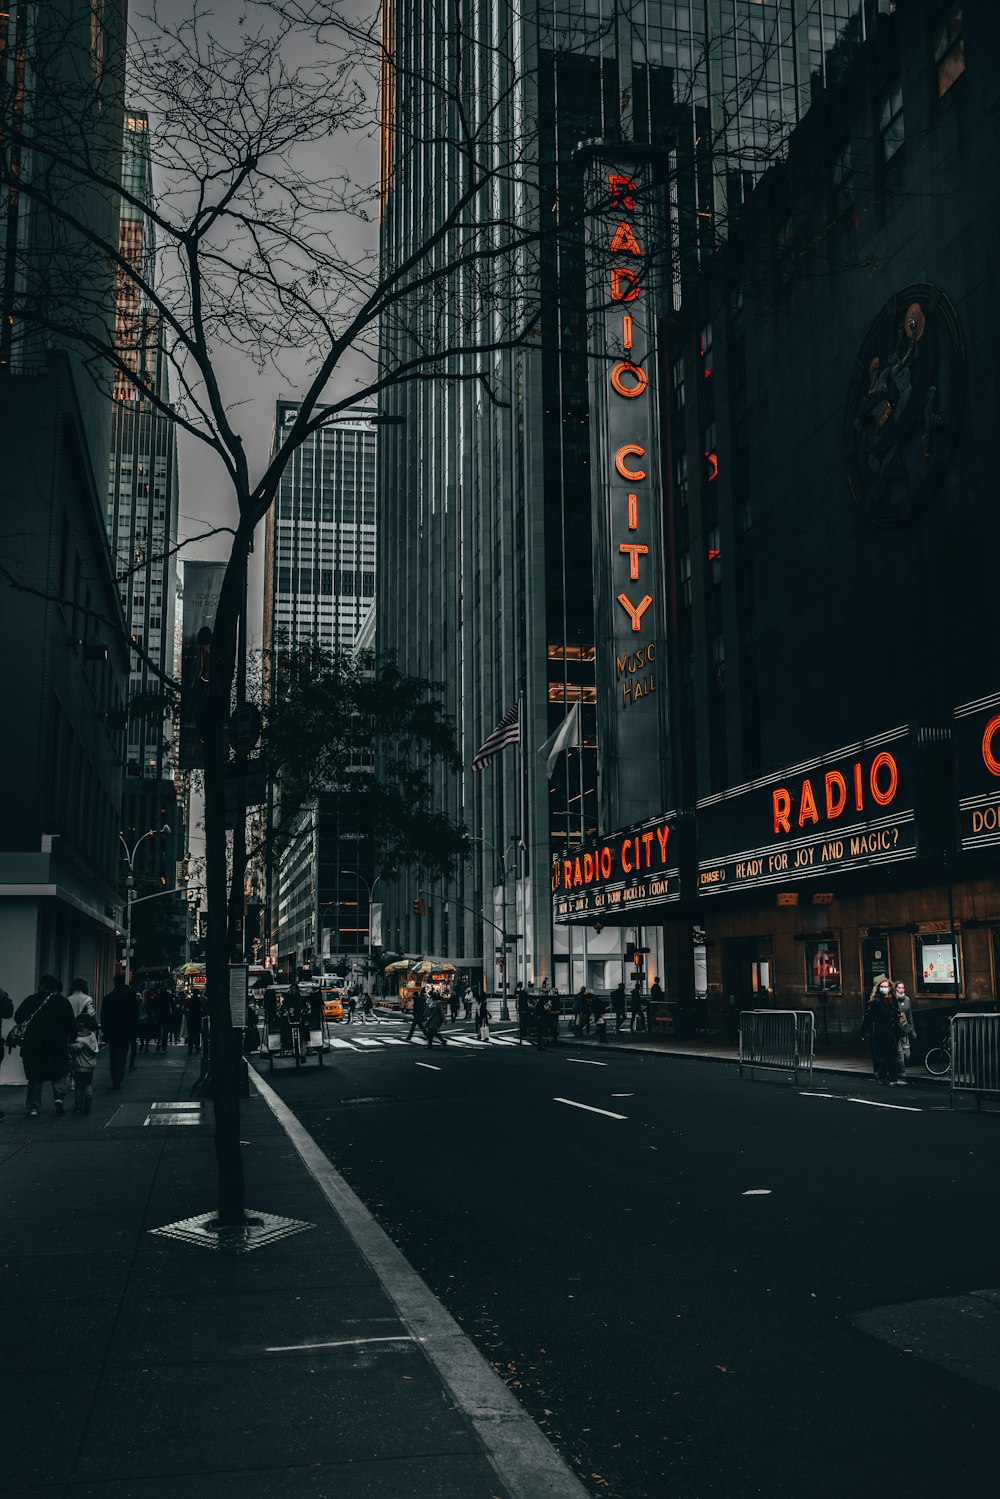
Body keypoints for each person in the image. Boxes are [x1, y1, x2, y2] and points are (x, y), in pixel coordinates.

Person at [13, 975, 75, 1116]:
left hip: (33, 1043)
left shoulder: (31, 1000)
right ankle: (58, 1098)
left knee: (35, 1075)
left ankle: (34, 1106)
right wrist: (72, 1038)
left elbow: (18, 1017)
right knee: (58, 1071)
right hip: (57, 1043)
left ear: (42, 986)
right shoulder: (62, 1002)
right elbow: (71, 1024)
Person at [860, 978, 906, 1084]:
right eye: (882, 987)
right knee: (889, 1055)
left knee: (891, 1055)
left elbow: (895, 1014)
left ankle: (884, 1074)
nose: (884, 989)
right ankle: (892, 1077)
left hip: (893, 1031)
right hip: (882, 1032)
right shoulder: (876, 1002)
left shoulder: (893, 1000)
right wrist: (862, 1032)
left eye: (886, 986)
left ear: (890, 988)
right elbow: (869, 1018)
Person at [101, 974, 139, 1088]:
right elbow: (135, 1014)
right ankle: (119, 1075)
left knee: (113, 1054)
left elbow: (104, 1016)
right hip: (126, 1030)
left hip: (113, 1030)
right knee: (123, 1053)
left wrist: (105, 1031)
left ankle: (114, 1077)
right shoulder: (130, 995)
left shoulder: (109, 998)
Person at [68, 1008, 100, 1113]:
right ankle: (89, 1096)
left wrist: (67, 1045)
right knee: (88, 1084)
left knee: (79, 1087)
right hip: (90, 1066)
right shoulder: (92, 1036)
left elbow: (76, 1047)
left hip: (79, 1066)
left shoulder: (79, 1039)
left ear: (80, 1024)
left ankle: (78, 1107)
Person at [893, 979, 917, 1080]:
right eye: (899, 988)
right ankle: (902, 1073)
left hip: (904, 1029)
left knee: (907, 1053)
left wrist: (912, 1030)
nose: (901, 990)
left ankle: (898, 1066)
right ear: (895, 989)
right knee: (900, 1053)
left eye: (903, 988)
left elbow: (909, 1015)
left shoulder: (907, 1000)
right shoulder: (892, 1000)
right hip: (895, 1030)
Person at [149, 983, 174, 1052]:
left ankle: (158, 1042)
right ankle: (164, 1045)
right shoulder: (168, 996)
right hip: (166, 1014)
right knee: (166, 1030)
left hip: (158, 1014)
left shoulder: (157, 996)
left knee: (158, 1029)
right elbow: (172, 1004)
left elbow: (153, 1005)